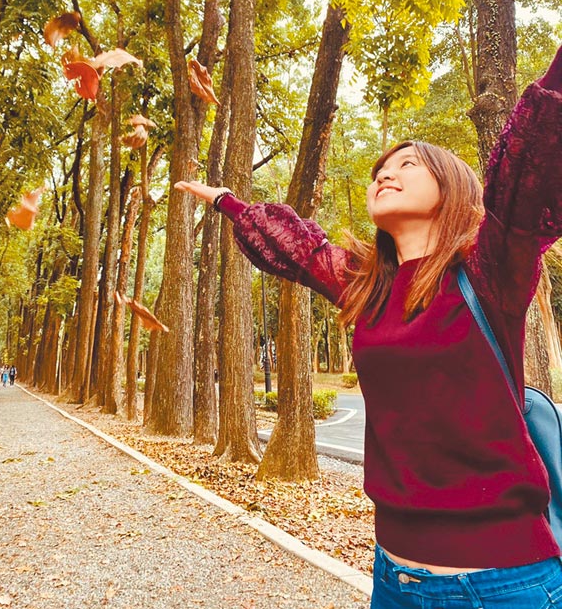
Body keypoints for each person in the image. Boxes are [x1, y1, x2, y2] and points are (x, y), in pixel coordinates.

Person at [176, 44, 562, 608]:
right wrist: (230, 203)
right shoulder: (365, 285)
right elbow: (301, 250)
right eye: (382, 168)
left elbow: (533, 152)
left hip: (501, 583)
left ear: (453, 188)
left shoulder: (489, 268)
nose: (387, 173)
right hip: (393, 575)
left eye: (409, 164)